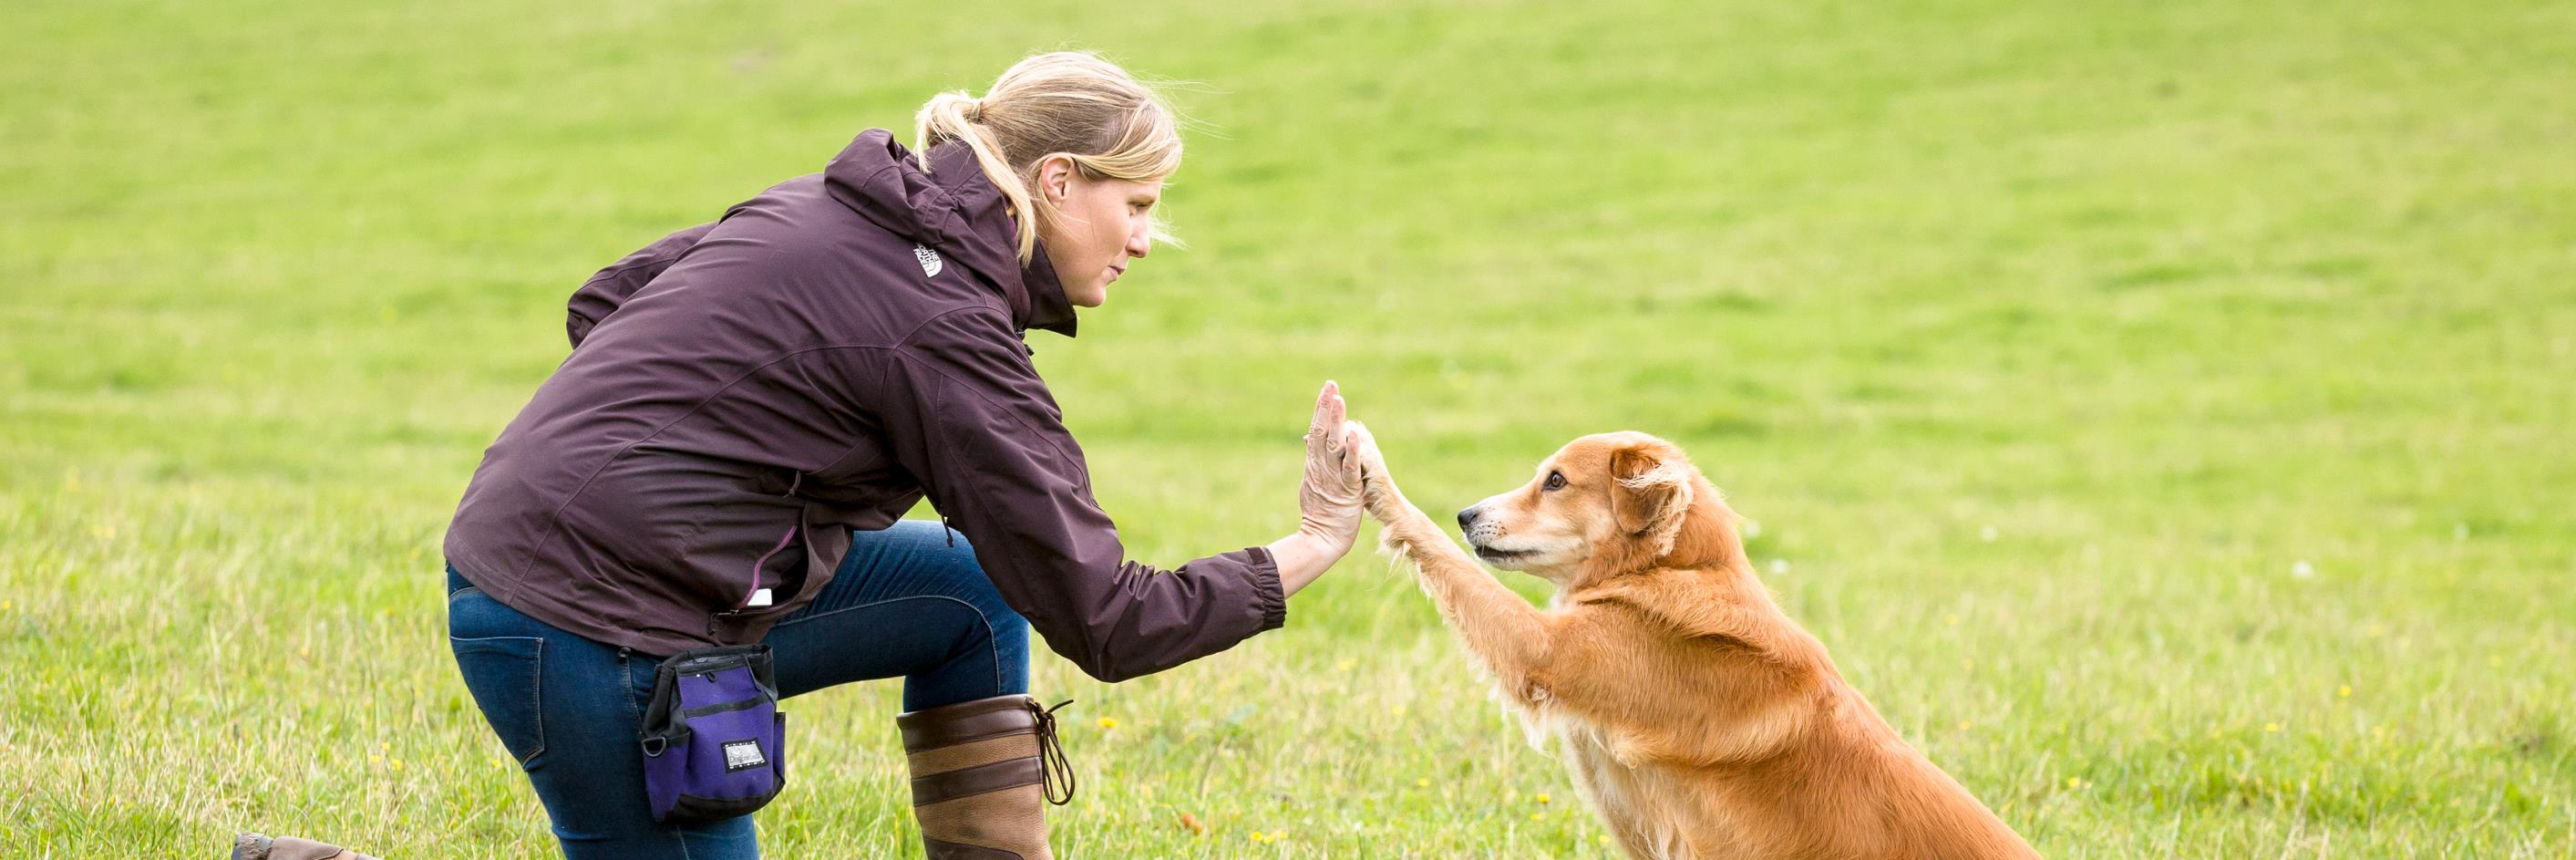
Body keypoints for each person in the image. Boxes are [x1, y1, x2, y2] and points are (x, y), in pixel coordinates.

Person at [440, 51, 1369, 860]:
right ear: (1055, 180)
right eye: (1135, 205)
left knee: (968, 596)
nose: (1141, 240)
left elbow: (605, 304)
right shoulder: (944, 331)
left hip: (544, 571)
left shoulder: (839, 210)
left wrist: (750, 521)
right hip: (591, 632)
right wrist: (1316, 541)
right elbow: (1110, 622)